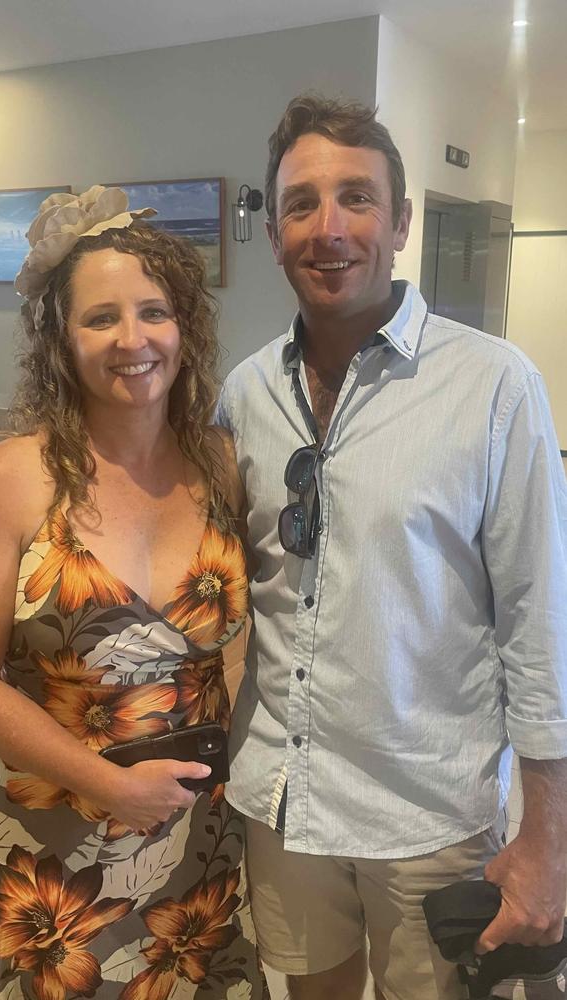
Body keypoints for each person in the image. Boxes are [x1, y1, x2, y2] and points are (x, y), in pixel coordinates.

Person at [215, 95, 567, 1000]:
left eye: (357, 199)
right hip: (284, 803)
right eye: (301, 204)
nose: (328, 229)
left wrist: (548, 841)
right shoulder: (244, 394)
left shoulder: (493, 387)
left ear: (402, 222)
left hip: (430, 819)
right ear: (274, 229)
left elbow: (539, 625)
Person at [0, 185, 267, 1000]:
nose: (132, 339)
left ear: (184, 325)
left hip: (195, 840)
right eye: (101, 318)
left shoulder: (220, 464)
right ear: (60, 337)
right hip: (53, 855)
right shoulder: (9, 479)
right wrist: (110, 785)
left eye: (153, 311)